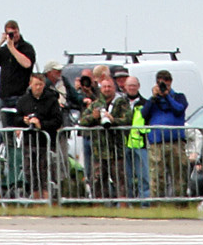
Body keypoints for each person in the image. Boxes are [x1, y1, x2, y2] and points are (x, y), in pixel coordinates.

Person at [81, 75, 131, 203]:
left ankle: (123, 208)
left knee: (120, 181)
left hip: (116, 150)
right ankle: (99, 207)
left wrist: (114, 120)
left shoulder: (121, 103)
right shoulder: (96, 104)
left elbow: (128, 120)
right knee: (97, 182)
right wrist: (93, 117)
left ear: (114, 88)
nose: (107, 89)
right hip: (99, 151)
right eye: (104, 87)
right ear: (100, 88)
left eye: (109, 86)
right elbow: (82, 121)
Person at [142, 70, 190, 203]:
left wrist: (167, 95)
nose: (164, 87)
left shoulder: (179, 97)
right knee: (157, 176)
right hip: (157, 143)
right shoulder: (153, 100)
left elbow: (179, 109)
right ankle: (157, 204)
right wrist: (153, 98)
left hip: (176, 142)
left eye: (167, 85)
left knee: (179, 175)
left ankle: (180, 204)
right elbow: (144, 113)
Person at [14, 71, 63, 198]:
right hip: (29, 142)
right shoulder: (23, 100)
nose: (38, 87)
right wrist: (24, 121)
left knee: (44, 171)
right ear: (30, 84)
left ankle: (46, 197)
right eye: (36, 84)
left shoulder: (51, 100)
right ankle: (35, 196)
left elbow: (58, 120)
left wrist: (41, 125)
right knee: (30, 170)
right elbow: (15, 118)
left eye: (41, 85)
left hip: (45, 142)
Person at [0, 22, 37, 123]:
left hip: (20, 96)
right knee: (6, 129)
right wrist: (1, 42)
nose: (14, 35)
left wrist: (12, 48)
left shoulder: (27, 48)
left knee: (20, 125)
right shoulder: (4, 50)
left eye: (15, 32)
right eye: (10, 33)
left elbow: (27, 64)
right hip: (4, 96)